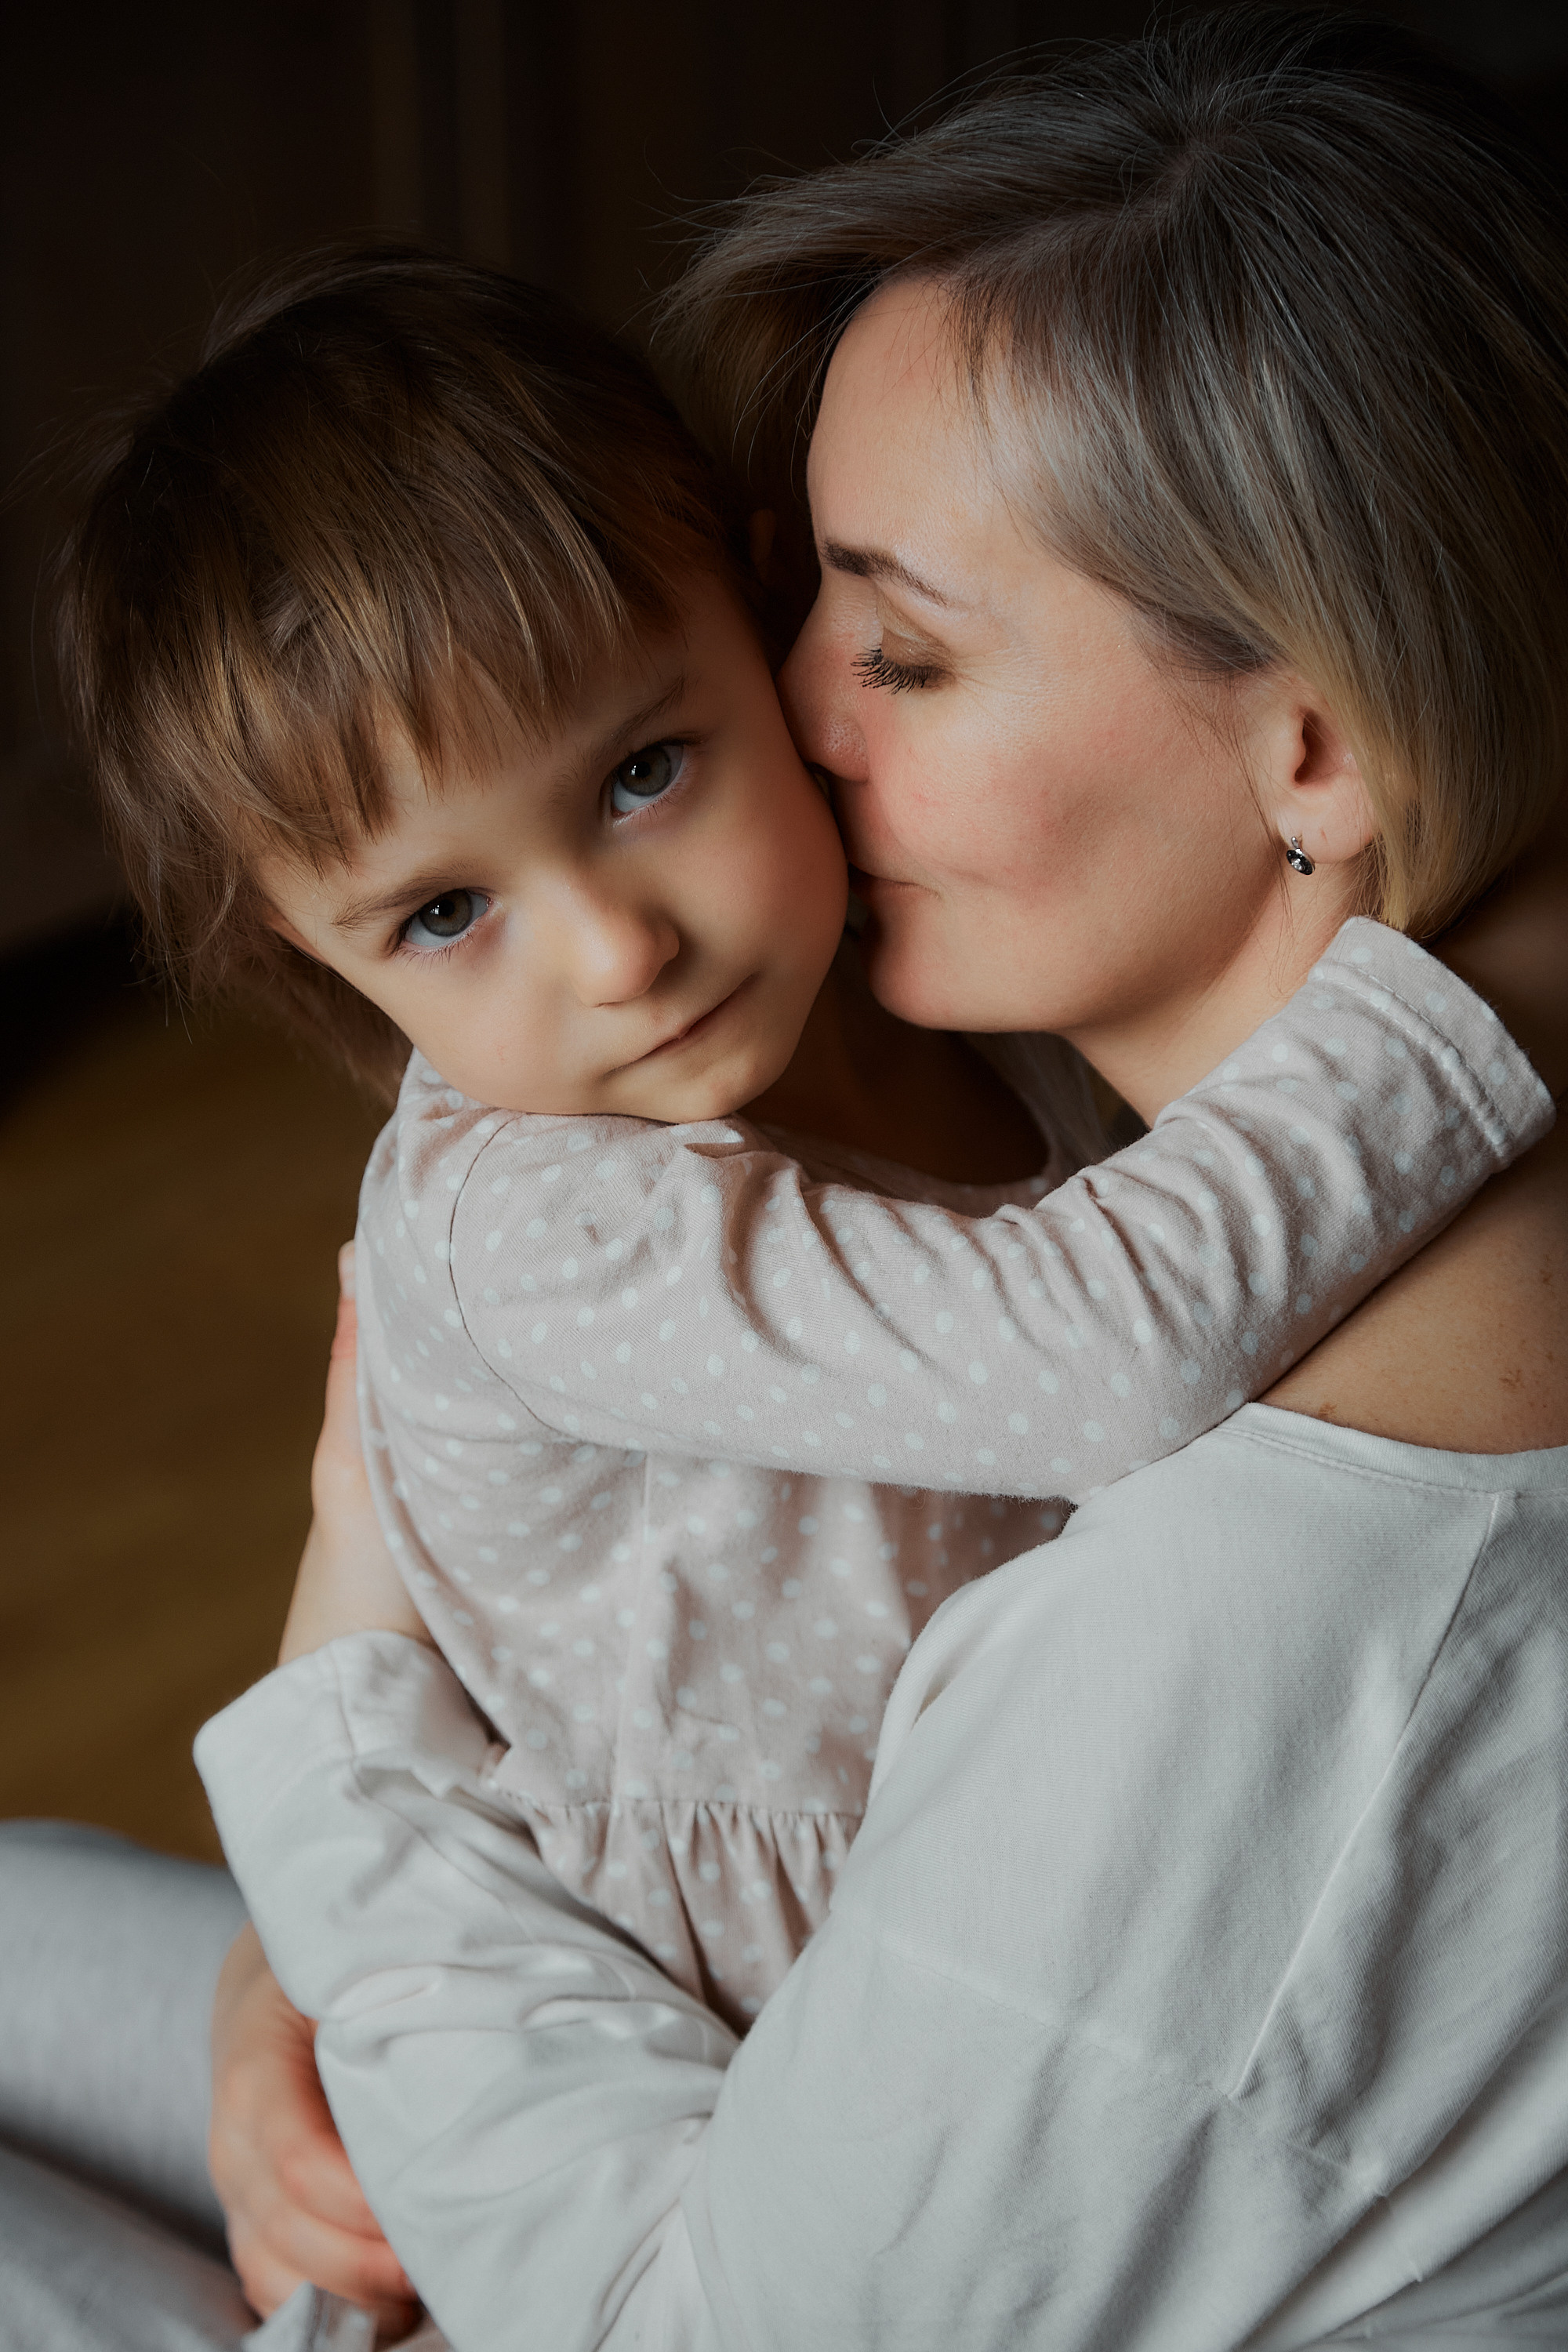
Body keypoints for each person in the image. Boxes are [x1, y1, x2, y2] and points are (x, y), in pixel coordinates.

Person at [4, 7, 1565, 2343]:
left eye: (902, 646)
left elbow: (700, 2303)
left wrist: (352, 1739)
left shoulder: (1265, 1603)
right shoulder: (621, 1167)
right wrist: (309, 1952)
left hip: (658, 2155)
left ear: (1316, 744)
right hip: (628, 1917)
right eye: (803, 603)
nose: (805, 709)